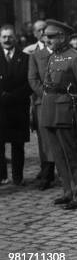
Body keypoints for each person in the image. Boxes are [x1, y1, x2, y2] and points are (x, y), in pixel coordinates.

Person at [40, 19, 77, 210]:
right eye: (46, 37)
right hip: (50, 111)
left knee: (73, 154)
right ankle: (68, 191)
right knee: (58, 156)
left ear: (62, 37)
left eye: (51, 37)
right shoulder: (53, 57)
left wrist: (74, 101)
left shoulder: (76, 57)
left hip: (67, 112)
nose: (48, 40)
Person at [0, 25, 32, 185]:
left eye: (10, 36)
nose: (7, 40)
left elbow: (29, 83)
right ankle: (1, 176)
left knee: (17, 144)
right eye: (4, 37)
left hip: (18, 107)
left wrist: (12, 96)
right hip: (0, 108)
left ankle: (18, 177)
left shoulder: (25, 58)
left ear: (15, 38)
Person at [24, 20, 54, 188]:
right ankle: (47, 172)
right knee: (44, 139)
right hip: (41, 101)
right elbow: (32, 79)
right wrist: (46, 95)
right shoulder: (31, 52)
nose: (43, 32)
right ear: (35, 33)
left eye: (46, 29)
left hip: (58, 102)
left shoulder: (59, 51)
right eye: (40, 30)